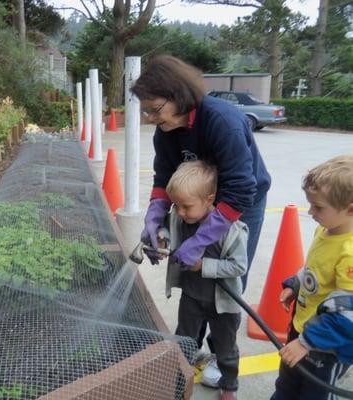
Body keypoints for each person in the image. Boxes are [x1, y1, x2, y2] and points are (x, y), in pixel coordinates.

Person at [131, 55, 271, 386]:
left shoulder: (222, 121)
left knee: (226, 278)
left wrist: (198, 242)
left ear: (178, 96)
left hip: (239, 202)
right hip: (195, 199)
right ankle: (190, 346)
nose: (150, 117)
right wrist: (155, 221)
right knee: (195, 279)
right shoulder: (166, 132)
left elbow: (239, 190)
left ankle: (220, 352)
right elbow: (163, 178)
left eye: (154, 109)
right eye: (146, 110)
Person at [271, 155, 353, 400]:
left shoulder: (350, 252)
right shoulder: (326, 230)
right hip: (302, 331)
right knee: (286, 386)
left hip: (327, 347)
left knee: (315, 394)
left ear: (350, 208)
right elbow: (314, 268)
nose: (310, 212)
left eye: (318, 207)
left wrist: (306, 343)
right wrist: (296, 284)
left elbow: (346, 315)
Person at [165, 160, 248, 400]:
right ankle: (180, 379)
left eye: (186, 206)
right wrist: (161, 237)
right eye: (176, 205)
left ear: (209, 199)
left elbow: (239, 266)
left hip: (222, 304)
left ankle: (229, 384)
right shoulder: (182, 219)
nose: (180, 212)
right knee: (184, 340)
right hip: (191, 297)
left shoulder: (232, 230)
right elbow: (167, 229)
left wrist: (204, 265)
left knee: (225, 348)